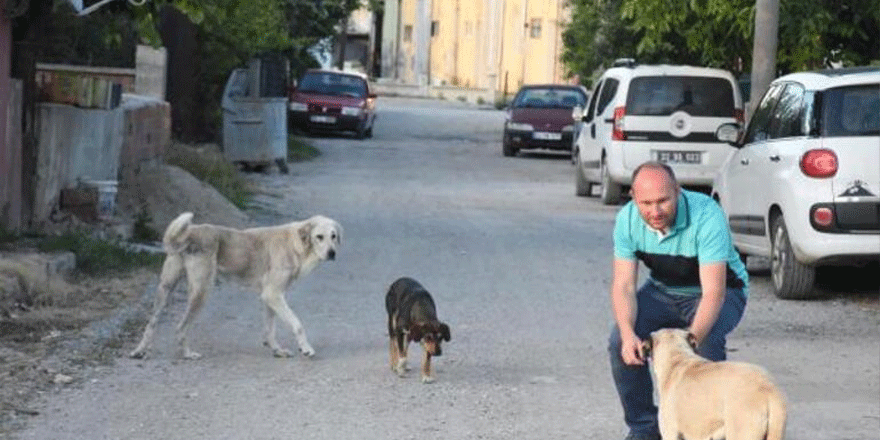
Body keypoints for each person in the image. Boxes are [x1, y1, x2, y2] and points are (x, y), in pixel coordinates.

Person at [608, 161, 749, 440]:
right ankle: (646, 428)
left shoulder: (707, 215)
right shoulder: (627, 219)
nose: (655, 211)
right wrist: (627, 335)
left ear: (678, 191)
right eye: (646, 203)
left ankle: (708, 428)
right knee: (618, 342)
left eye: (663, 201)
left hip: (720, 292)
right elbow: (624, 285)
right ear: (634, 199)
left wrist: (691, 340)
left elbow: (713, 293)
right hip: (662, 290)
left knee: (705, 345)